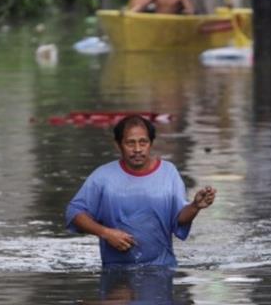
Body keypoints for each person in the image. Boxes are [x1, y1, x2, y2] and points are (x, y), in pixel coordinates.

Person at [65, 115, 216, 268]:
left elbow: (178, 218)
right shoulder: (103, 176)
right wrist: (106, 233)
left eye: (143, 142)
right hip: (115, 271)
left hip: (162, 268)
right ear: (118, 145)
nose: (137, 149)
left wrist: (195, 206)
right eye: (130, 143)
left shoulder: (168, 172)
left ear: (151, 143)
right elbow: (74, 213)